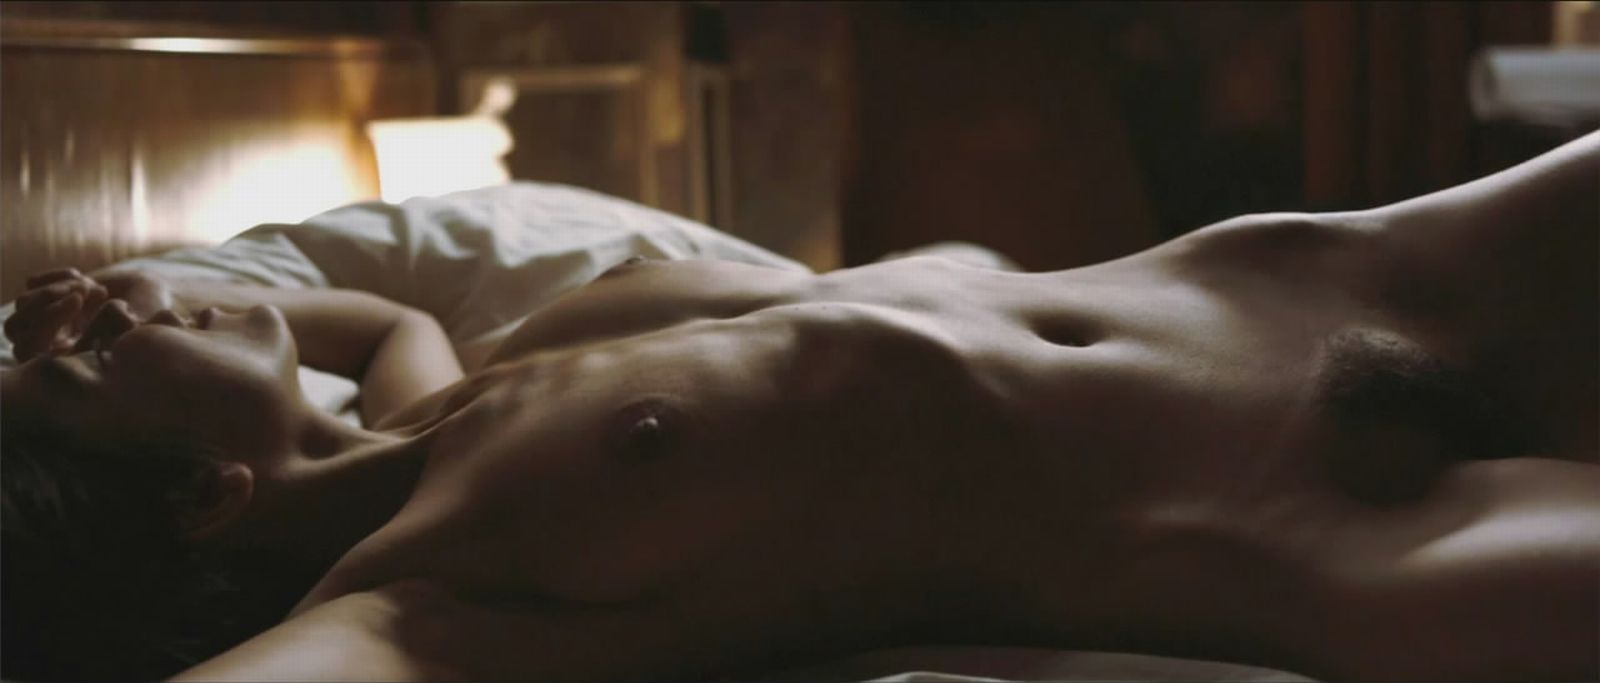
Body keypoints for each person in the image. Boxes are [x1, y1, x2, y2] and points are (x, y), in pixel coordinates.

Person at [3, 131, 1596, 683]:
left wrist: (114, 305)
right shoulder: (418, 599)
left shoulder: (444, 391)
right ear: (205, 495)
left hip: (1342, 274)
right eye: (77, 360)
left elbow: (380, 305)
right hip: (1318, 536)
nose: (112, 306)